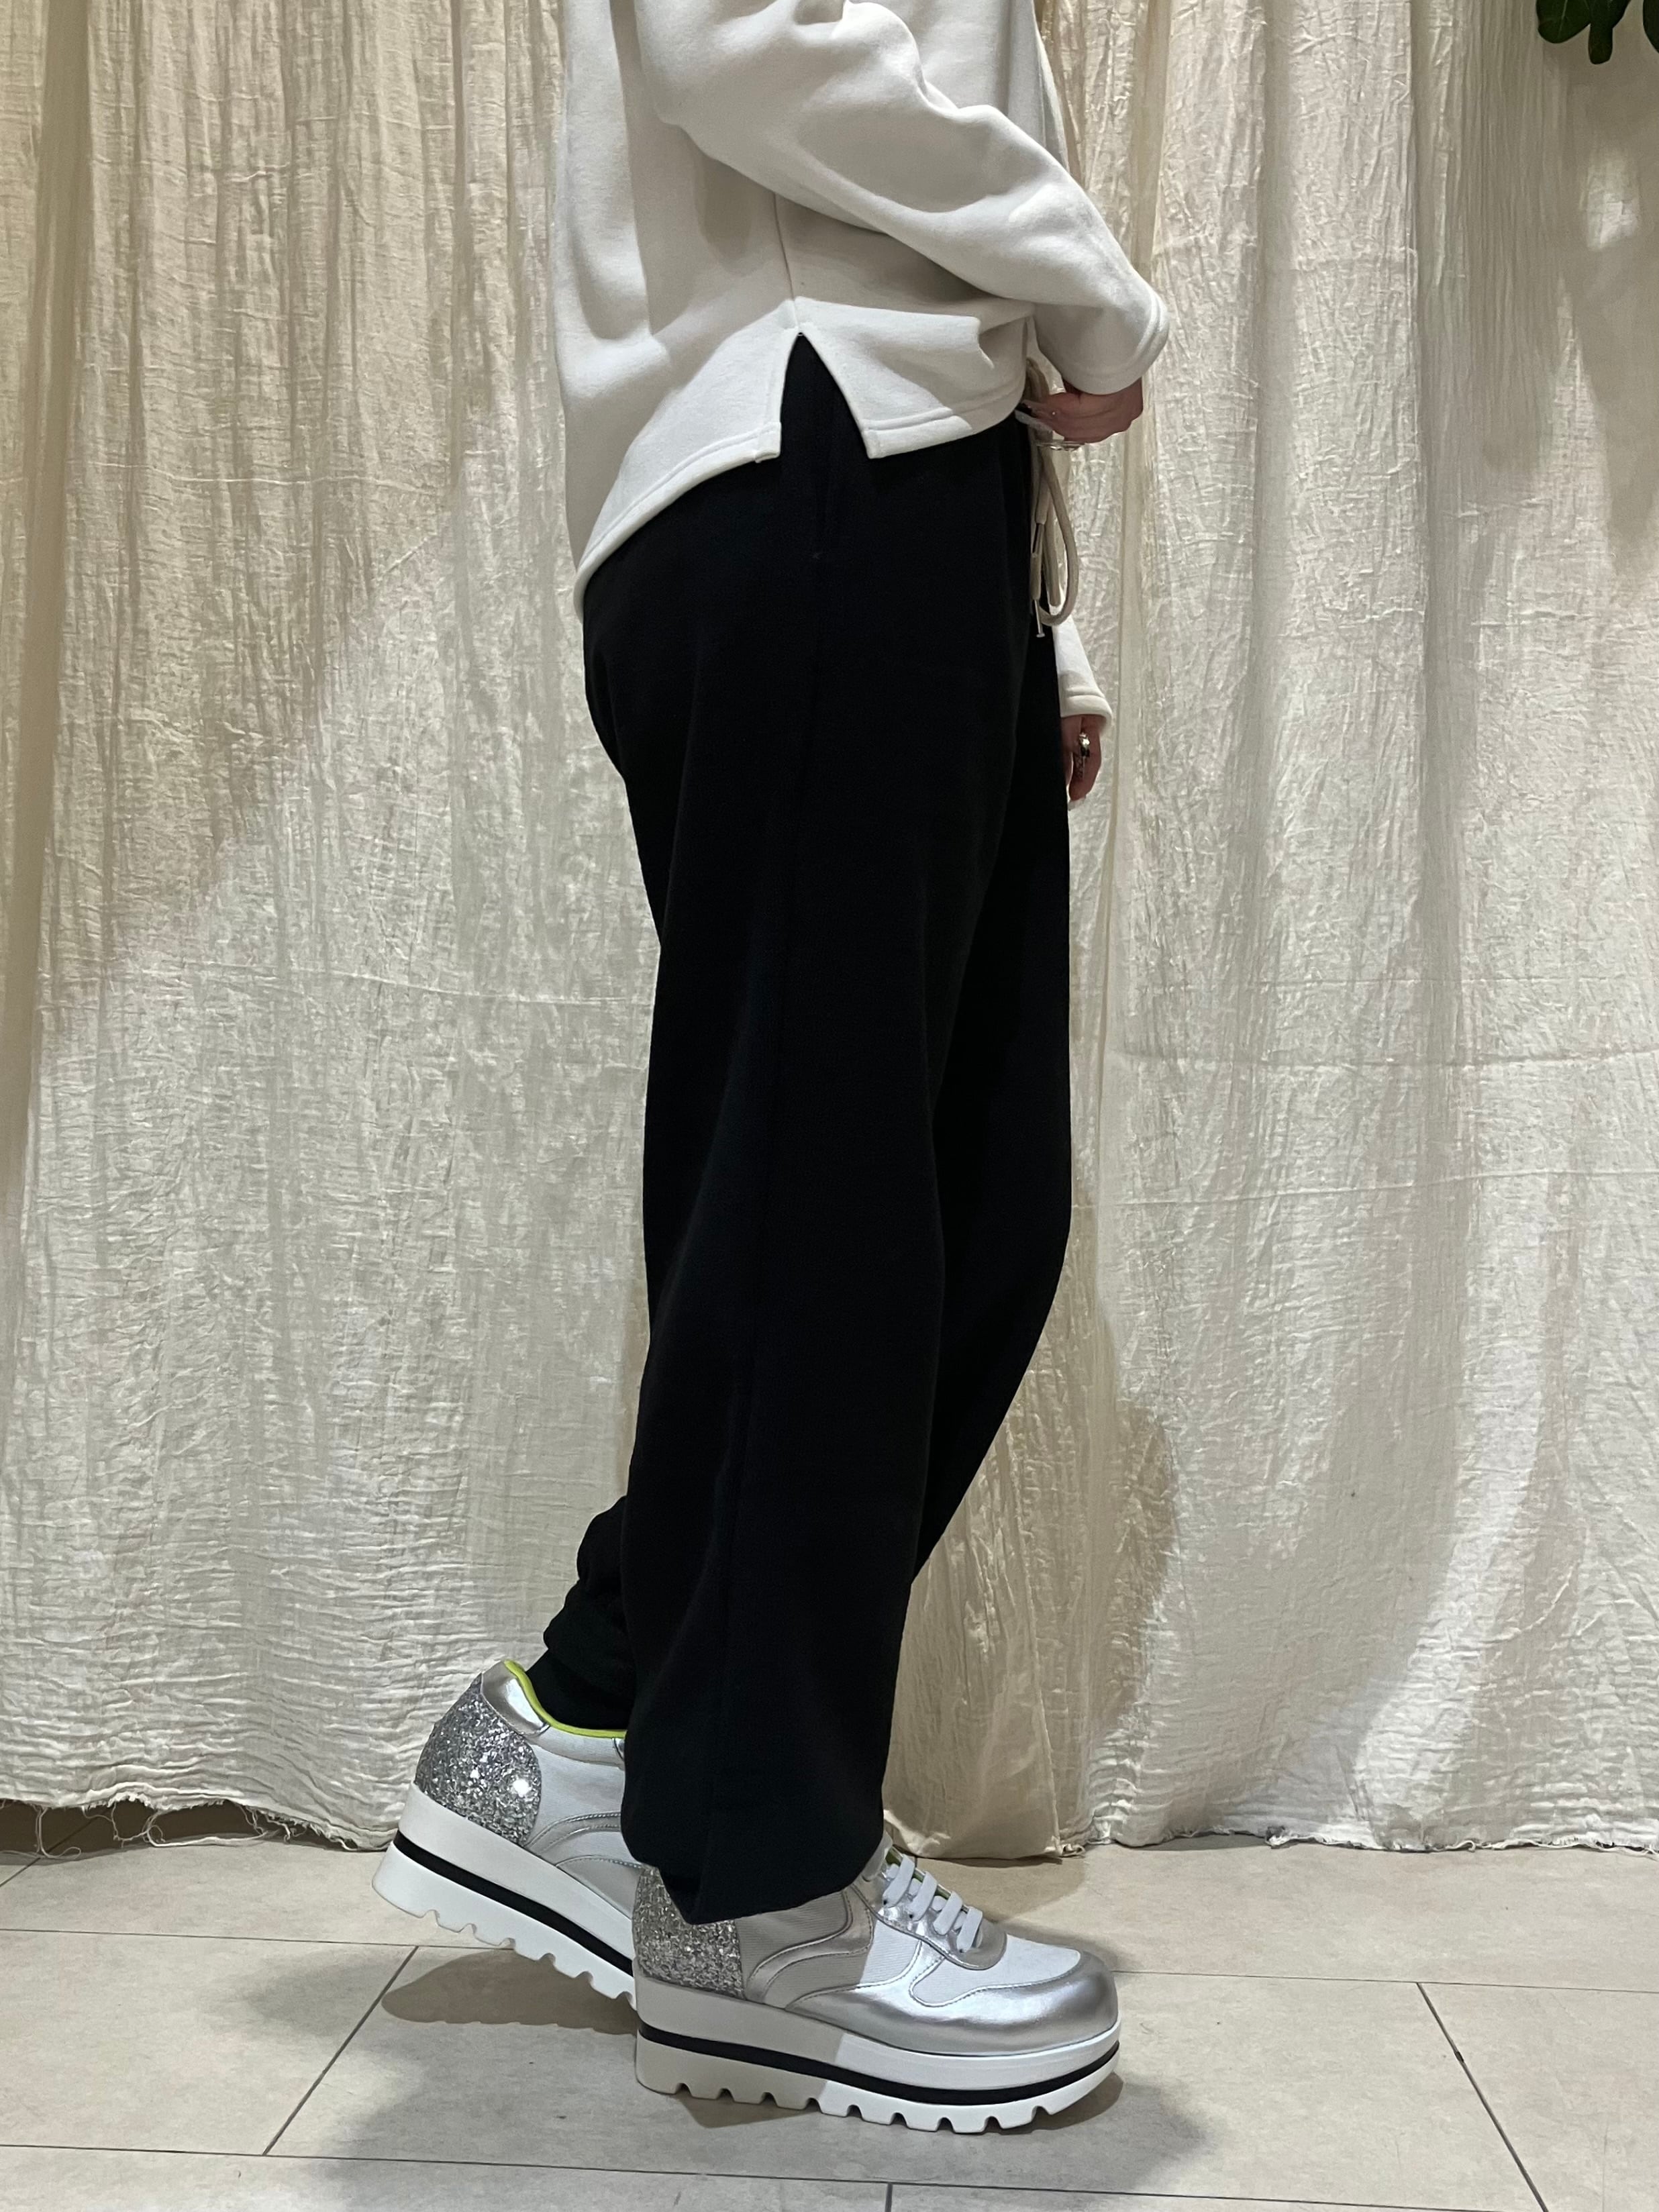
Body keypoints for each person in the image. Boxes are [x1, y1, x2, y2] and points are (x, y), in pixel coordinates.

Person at [375, 0, 1168, 2131]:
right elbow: (742, 37)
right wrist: (1088, 286)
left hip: (900, 482)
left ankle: (606, 1721)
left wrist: (1025, 601)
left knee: (959, 1209)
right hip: (810, 453)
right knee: (834, 1217)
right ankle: (755, 1899)